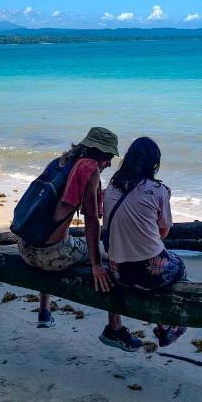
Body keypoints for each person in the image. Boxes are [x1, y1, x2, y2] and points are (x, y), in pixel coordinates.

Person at [15, 126, 143, 351]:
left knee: (60, 236)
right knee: (112, 255)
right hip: (51, 256)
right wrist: (96, 265)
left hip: (25, 248)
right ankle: (114, 328)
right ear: (100, 154)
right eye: (110, 157)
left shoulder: (60, 162)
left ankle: (44, 312)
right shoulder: (89, 169)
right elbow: (91, 221)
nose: (110, 164)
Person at [102, 136, 187, 348]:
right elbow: (163, 232)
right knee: (178, 267)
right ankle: (166, 326)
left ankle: (115, 325)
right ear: (154, 164)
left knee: (148, 263)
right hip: (147, 272)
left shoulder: (112, 186)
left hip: (117, 269)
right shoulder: (159, 191)